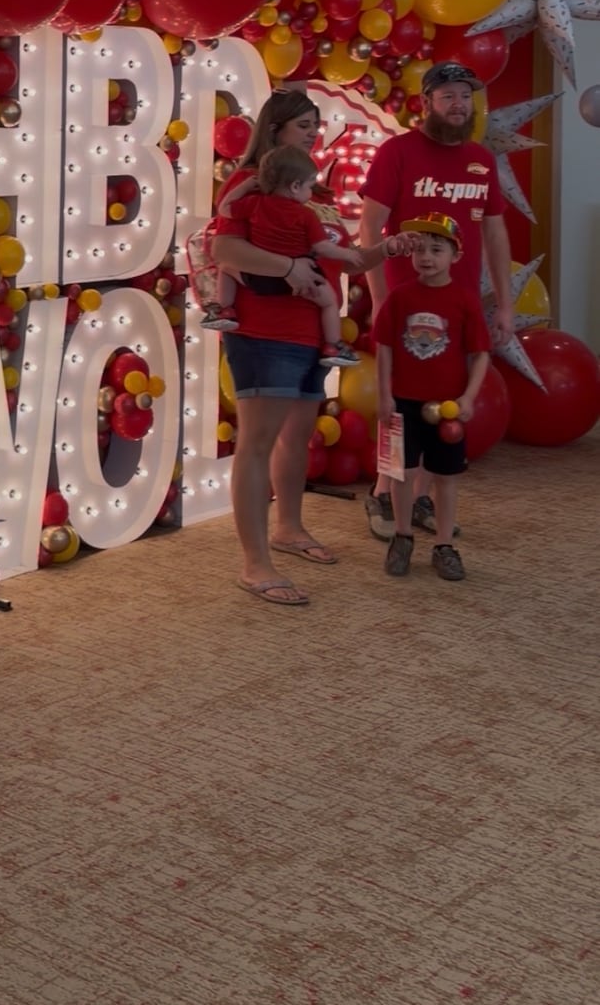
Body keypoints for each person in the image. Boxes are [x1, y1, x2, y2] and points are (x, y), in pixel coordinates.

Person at [211, 88, 407, 607]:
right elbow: (224, 248)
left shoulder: (311, 193)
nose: (314, 133)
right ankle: (255, 564)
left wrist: (382, 250)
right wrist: (290, 269)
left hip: (312, 333)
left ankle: (289, 528)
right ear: (275, 129)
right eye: (304, 125)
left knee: (296, 438)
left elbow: (338, 254)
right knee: (256, 441)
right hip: (264, 329)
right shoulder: (248, 184)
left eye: (316, 126)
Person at [358, 61, 513, 542]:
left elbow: (494, 231)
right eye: (447, 96)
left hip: (458, 306)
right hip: (405, 306)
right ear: (426, 103)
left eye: (464, 96)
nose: (457, 104)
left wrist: (504, 303)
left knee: (442, 403)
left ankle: (420, 497)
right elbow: (370, 226)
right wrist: (382, 297)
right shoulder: (397, 152)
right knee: (398, 405)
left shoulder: (480, 161)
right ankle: (384, 491)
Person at [374, 213, 490, 581]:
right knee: (401, 474)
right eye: (420, 249)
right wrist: (384, 396)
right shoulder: (400, 297)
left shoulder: (464, 301)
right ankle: (403, 536)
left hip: (447, 407)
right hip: (403, 403)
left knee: (446, 477)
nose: (426, 256)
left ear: (455, 256)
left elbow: (480, 354)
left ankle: (443, 544)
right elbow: (385, 348)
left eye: (437, 249)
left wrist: (469, 398)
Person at [233, 144, 364, 368]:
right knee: (330, 303)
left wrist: (244, 187)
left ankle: (223, 309)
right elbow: (323, 247)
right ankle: (333, 345)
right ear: (295, 186)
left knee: (226, 267)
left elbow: (225, 207)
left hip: (260, 279)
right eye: (310, 187)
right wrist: (348, 253)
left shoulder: (254, 203)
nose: (311, 193)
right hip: (302, 278)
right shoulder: (306, 214)